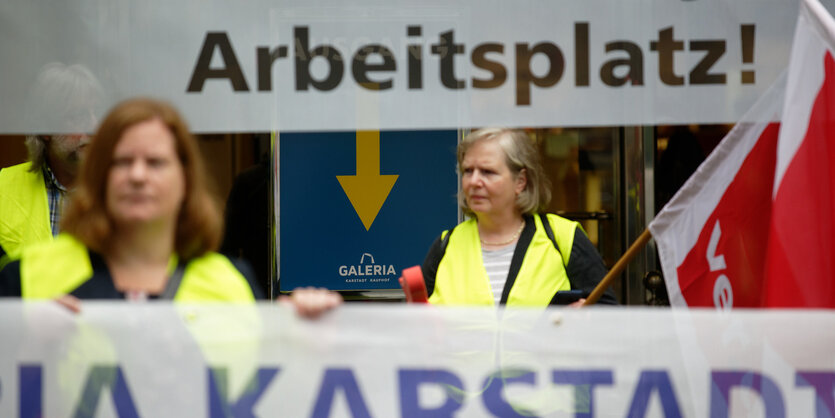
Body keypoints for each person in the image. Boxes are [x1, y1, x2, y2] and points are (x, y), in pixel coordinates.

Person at [0, 98, 340, 316]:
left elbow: (260, 394)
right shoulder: (26, 280)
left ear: (185, 182)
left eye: (156, 162)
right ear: (97, 177)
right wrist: (22, 347)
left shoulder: (231, 287)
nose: (137, 175)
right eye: (120, 162)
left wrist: (303, 345)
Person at [421, 128, 617, 306]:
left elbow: (609, 315)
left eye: (487, 172)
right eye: (468, 171)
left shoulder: (562, 237)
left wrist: (587, 317)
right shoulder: (446, 245)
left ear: (520, 181)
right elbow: (415, 327)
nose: (474, 181)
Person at [0, 63, 103, 267]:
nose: (94, 127)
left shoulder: (119, 188)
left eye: (96, 114)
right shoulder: (3, 187)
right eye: (79, 116)